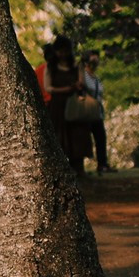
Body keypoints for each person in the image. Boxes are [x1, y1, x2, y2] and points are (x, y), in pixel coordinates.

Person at [39, 36, 90, 174]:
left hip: (73, 103)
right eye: (60, 51)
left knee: (77, 135)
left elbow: (82, 82)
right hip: (58, 105)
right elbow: (48, 87)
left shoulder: (76, 66)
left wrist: (76, 86)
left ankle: (78, 166)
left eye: (65, 51)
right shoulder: (51, 67)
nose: (62, 54)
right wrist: (66, 89)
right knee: (60, 136)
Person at [80, 50, 112, 173]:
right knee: (84, 138)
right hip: (86, 111)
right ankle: (80, 166)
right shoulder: (83, 75)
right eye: (93, 59)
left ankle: (102, 164)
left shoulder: (96, 78)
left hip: (97, 112)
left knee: (100, 138)